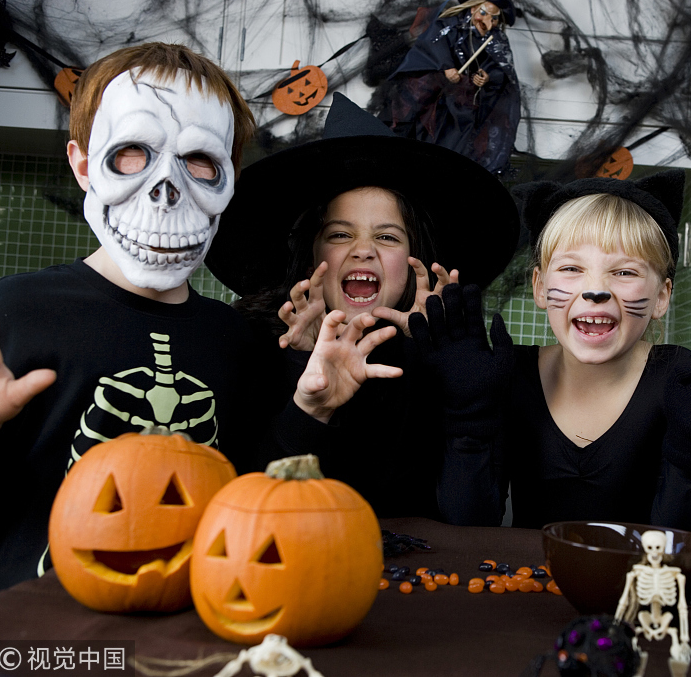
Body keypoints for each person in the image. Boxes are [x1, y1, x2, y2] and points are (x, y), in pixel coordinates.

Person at [0, 43, 366, 596]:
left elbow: (254, 510)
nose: (165, 193)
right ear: (84, 165)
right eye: (132, 153)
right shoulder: (8, 316)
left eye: (198, 161)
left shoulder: (237, 340)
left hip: (190, 628)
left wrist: (311, 408)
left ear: (230, 180)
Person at [205, 92, 520, 520]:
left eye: (387, 237)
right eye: (340, 235)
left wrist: (467, 413)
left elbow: (472, 525)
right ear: (313, 256)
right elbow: (247, 519)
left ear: (414, 263)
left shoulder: (450, 360)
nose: (363, 251)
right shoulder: (249, 348)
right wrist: (304, 386)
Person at [409, 170, 691, 531]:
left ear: (661, 297)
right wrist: (468, 425)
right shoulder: (504, 374)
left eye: (624, 273)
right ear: (540, 287)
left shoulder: (683, 382)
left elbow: (677, 546)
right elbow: (469, 528)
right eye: (572, 268)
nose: (596, 291)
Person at [378, 0, 520, 175]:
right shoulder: (449, 25)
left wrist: (486, 77)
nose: (488, 22)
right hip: (431, 97)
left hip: (461, 107)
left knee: (454, 145)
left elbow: (499, 71)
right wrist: (445, 67)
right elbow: (432, 45)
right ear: (473, 8)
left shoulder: (495, 41)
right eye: (484, 13)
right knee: (410, 123)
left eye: (494, 18)